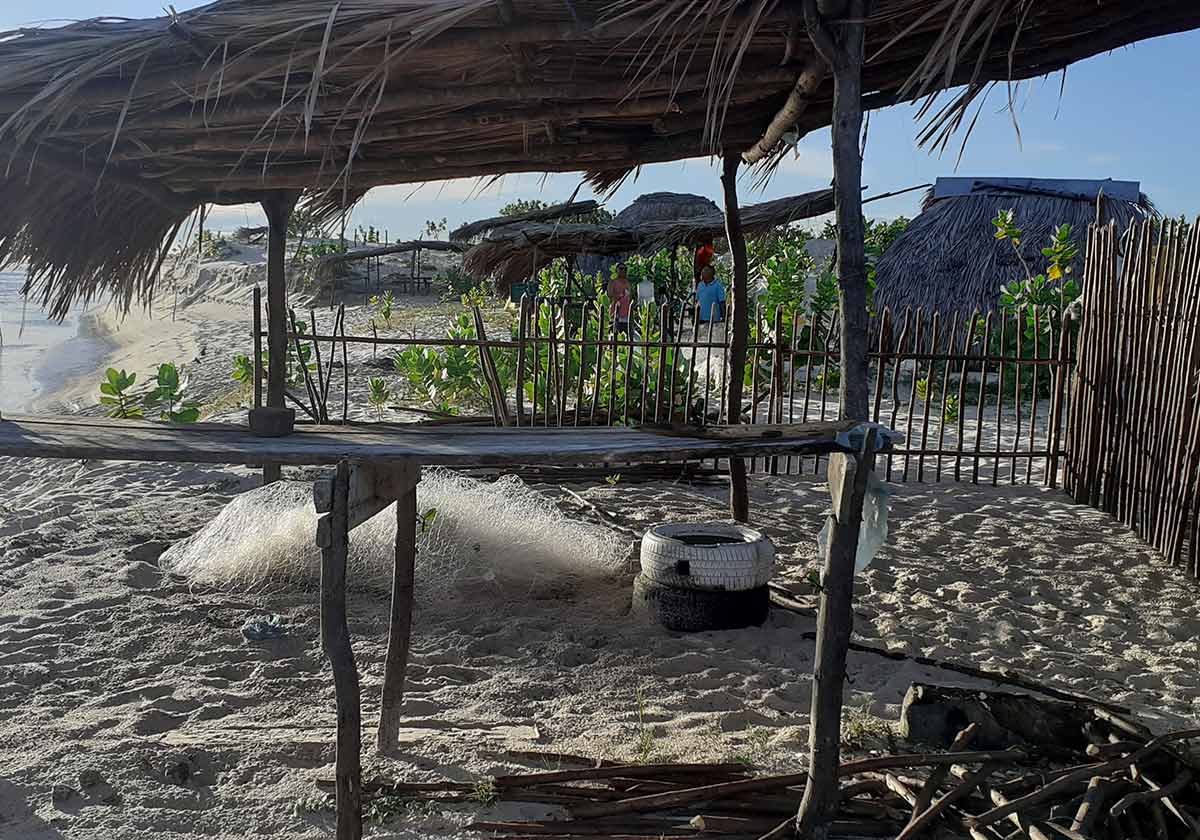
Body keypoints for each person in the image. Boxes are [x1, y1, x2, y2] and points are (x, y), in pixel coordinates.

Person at [608, 262, 632, 336]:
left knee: (625, 334)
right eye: (621, 268)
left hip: (626, 313)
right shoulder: (613, 282)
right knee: (615, 334)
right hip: (616, 311)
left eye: (625, 269)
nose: (623, 270)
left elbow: (630, 296)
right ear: (617, 270)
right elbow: (610, 294)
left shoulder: (628, 283)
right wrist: (620, 295)